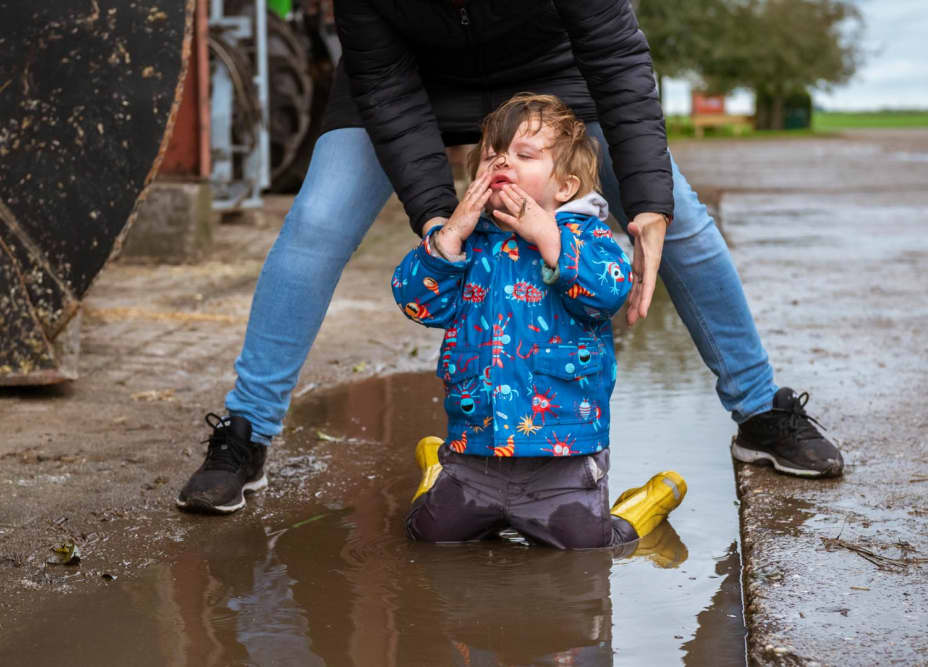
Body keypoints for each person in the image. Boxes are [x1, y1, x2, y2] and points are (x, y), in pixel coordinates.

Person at [176, 0, 843, 515]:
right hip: (409, 78)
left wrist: (647, 204)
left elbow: (614, 57)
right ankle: (247, 430)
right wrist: (441, 216)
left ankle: (759, 409)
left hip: (553, 72)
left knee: (681, 220)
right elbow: (384, 85)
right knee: (315, 221)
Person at [393, 93, 685, 547]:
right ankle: (437, 472)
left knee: (591, 548)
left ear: (565, 187)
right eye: (491, 155)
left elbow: (608, 292)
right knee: (428, 536)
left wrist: (548, 236)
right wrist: (450, 231)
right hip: (475, 450)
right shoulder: (469, 242)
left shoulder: (587, 237)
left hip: (562, 458)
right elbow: (416, 304)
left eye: (524, 155)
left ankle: (636, 508)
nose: (502, 161)